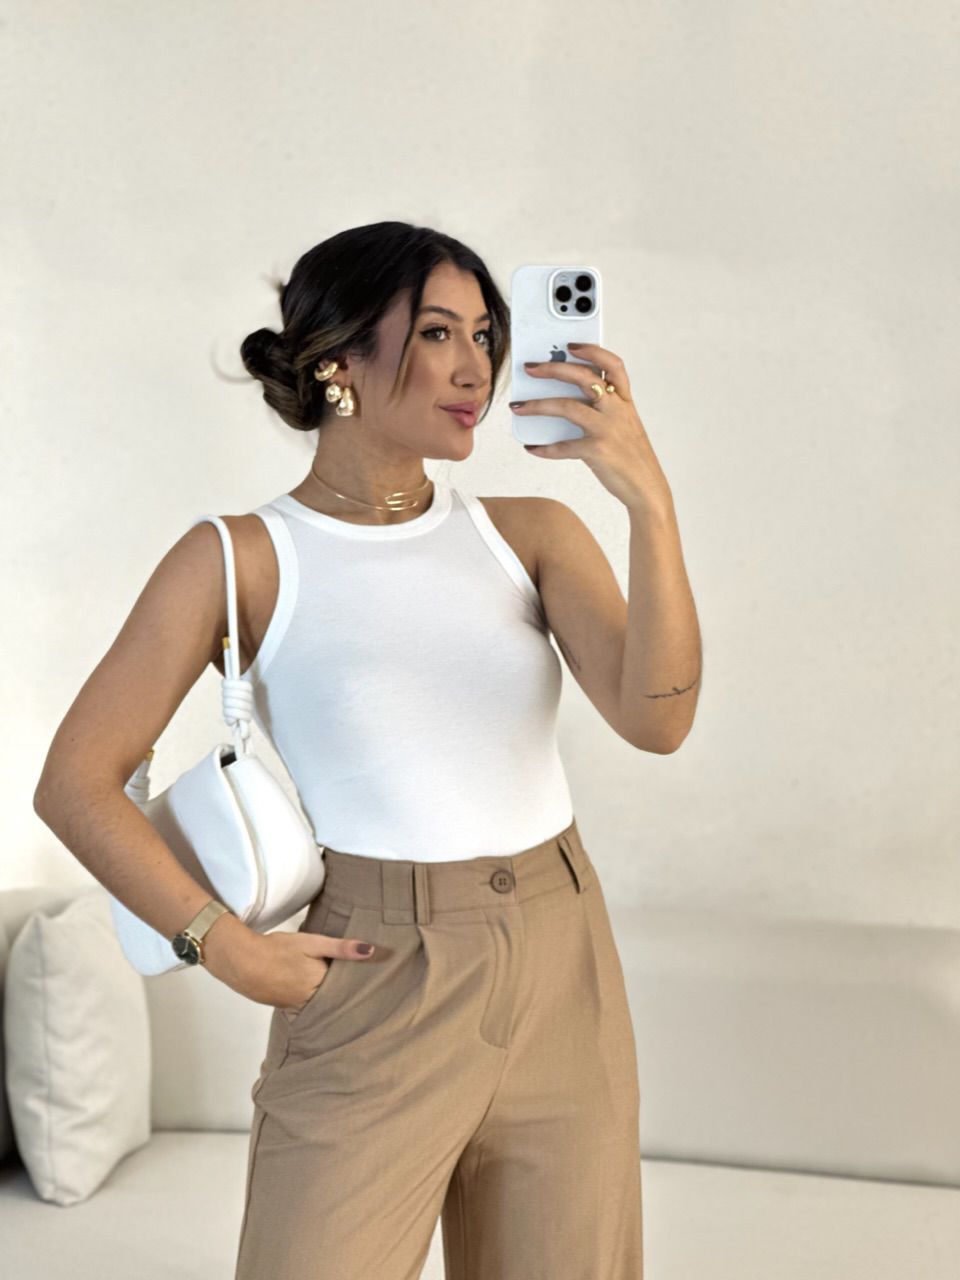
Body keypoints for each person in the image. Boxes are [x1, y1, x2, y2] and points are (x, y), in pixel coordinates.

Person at [34, 221, 699, 1278]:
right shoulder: (239, 558)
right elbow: (74, 782)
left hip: (562, 957)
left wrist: (647, 500)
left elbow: (659, 720)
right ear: (339, 359)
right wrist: (222, 943)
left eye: (485, 334)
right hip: (376, 973)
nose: (475, 365)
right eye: (437, 332)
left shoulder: (530, 536)